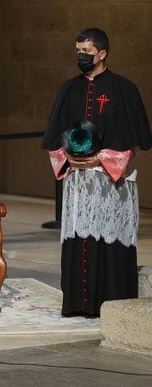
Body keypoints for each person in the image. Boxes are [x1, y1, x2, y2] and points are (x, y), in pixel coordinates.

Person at [41, 28, 152, 317]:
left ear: (102, 54)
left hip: (110, 181)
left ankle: (112, 305)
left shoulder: (124, 89)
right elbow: (54, 141)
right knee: (80, 241)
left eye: (87, 52)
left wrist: (98, 162)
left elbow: (132, 145)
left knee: (110, 241)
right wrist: (69, 160)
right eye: (78, 50)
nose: (81, 56)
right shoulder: (68, 89)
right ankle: (78, 304)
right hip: (78, 183)